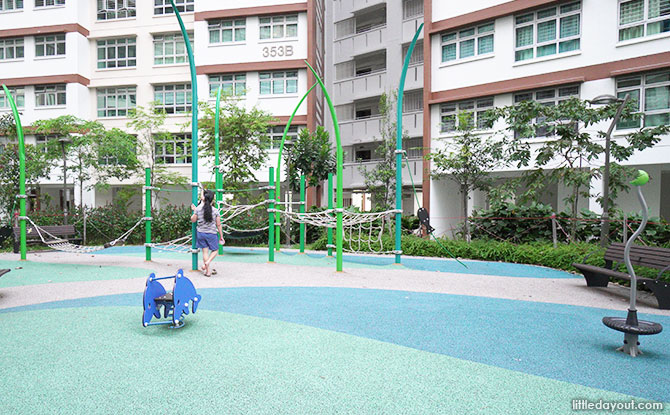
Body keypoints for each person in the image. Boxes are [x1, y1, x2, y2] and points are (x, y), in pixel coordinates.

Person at [190, 190, 225, 277]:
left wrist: (194, 211)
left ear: (203, 199)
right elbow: (218, 224)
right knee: (215, 250)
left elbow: (193, 220)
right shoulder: (216, 211)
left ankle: (208, 271)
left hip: (201, 233)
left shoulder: (198, 209)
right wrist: (221, 236)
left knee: (205, 252)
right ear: (212, 200)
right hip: (211, 234)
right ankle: (208, 262)